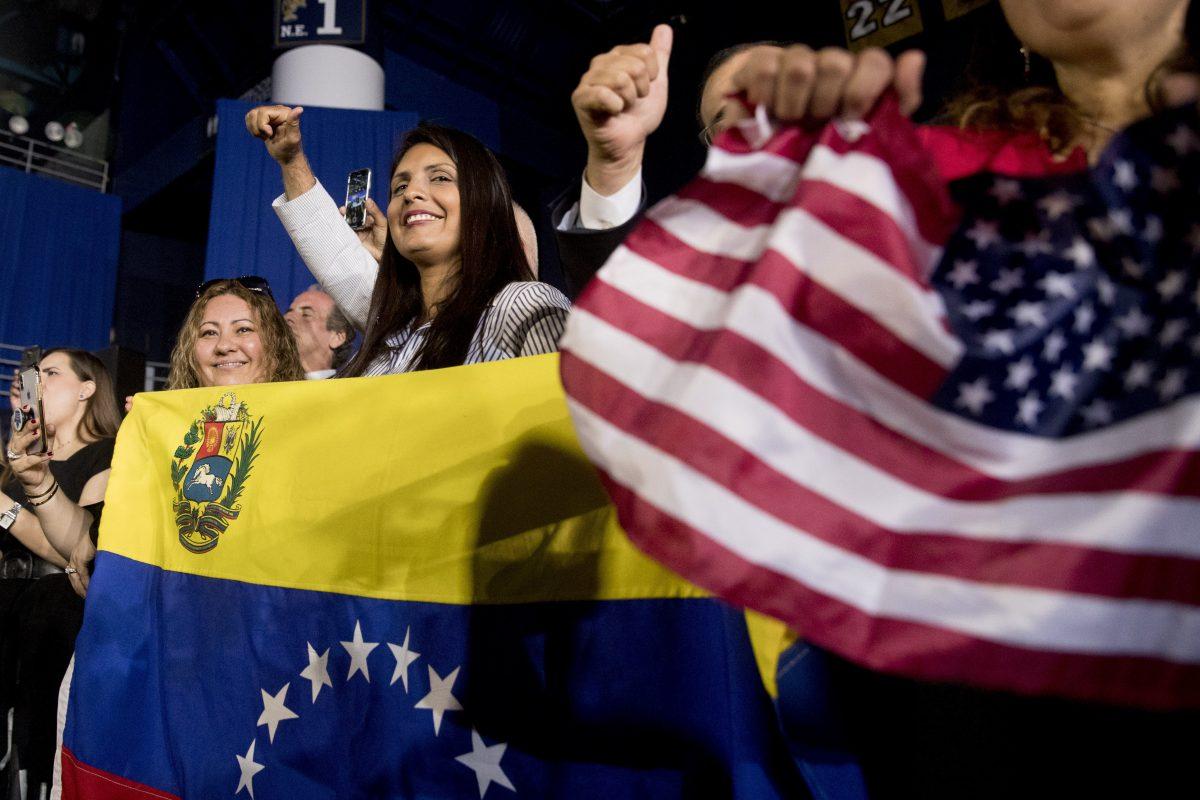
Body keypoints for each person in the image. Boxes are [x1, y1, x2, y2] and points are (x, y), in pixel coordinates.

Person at [553, 24, 924, 296]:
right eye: (732, 116)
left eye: (776, 93)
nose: (759, 119)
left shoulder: (926, 193)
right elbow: (620, 321)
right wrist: (615, 164)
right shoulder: (708, 275)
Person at [244, 108, 571, 375]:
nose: (411, 193)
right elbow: (335, 253)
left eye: (441, 178)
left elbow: (569, 427)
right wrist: (291, 159)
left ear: (483, 208)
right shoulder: (393, 323)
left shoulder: (520, 303)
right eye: (400, 187)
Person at [0, 349, 120, 799]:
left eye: (52, 373)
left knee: (32, 747)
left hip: (53, 621)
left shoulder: (108, 455)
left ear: (87, 389)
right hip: (8, 611)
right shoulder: (21, 462)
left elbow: (76, 550)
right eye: (36, 375)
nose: (40, 382)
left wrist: (6, 508)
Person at [166, 278, 305, 390]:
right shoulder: (161, 423)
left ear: (277, 344)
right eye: (210, 332)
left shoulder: (314, 422)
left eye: (243, 330)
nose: (223, 346)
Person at [284, 285, 356, 379]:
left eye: (306, 314)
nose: (288, 318)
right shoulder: (265, 385)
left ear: (337, 337)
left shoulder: (348, 391)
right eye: (289, 312)